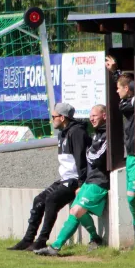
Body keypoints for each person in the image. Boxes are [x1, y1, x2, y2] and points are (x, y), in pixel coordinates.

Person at [7, 103, 90, 251]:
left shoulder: (77, 132)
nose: (52, 120)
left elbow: (81, 160)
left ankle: (41, 240)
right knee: (39, 200)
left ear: (63, 117)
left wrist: (81, 184)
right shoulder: (63, 133)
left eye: (54, 117)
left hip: (74, 180)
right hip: (65, 179)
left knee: (51, 200)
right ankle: (27, 239)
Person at [34, 105, 109, 256]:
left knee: (76, 210)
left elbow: (94, 157)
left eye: (95, 115)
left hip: (100, 181)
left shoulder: (108, 134)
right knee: (76, 211)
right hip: (90, 179)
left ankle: (55, 247)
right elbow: (90, 155)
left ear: (105, 116)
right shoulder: (95, 134)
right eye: (90, 116)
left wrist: (90, 156)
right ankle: (95, 238)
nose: (91, 118)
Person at [105, 56, 135, 229]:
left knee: (134, 196)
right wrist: (116, 73)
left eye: (118, 88)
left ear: (127, 88)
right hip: (131, 156)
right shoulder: (126, 104)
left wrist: (117, 72)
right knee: (131, 197)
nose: (116, 91)